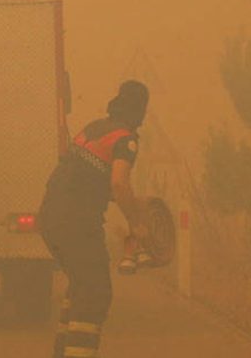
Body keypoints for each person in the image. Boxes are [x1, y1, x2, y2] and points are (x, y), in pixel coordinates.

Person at [37, 80, 151, 358]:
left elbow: (91, 179)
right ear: (140, 111)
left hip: (51, 216)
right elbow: (119, 185)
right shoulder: (126, 139)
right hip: (77, 222)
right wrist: (137, 224)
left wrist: (134, 206)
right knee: (95, 292)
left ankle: (63, 352)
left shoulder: (95, 127)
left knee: (81, 284)